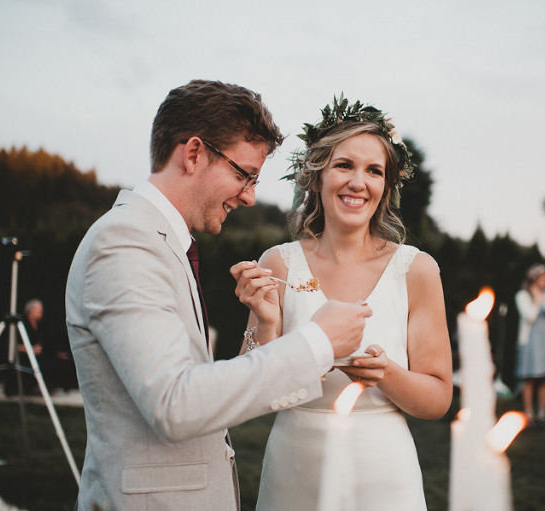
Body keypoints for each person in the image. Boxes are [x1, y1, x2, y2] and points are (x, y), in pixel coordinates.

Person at [65, 81, 372, 511]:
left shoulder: (163, 242)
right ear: (193, 154)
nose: (249, 196)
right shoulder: (124, 243)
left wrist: (268, 326)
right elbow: (176, 404)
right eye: (243, 174)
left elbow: (198, 390)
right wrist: (317, 342)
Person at [232, 96, 453, 511]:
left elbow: (438, 398)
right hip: (294, 472)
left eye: (374, 171)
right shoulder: (279, 263)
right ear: (316, 175)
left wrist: (385, 373)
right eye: (344, 165)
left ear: (386, 186)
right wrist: (264, 323)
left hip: (385, 474)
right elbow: (247, 393)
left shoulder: (416, 270)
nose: (358, 182)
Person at [514, 264, 545, 426]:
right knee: (530, 377)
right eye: (543, 278)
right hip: (530, 340)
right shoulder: (522, 296)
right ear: (534, 280)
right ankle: (528, 413)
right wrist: (537, 300)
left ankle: (542, 413)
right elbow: (530, 317)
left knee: (544, 377)